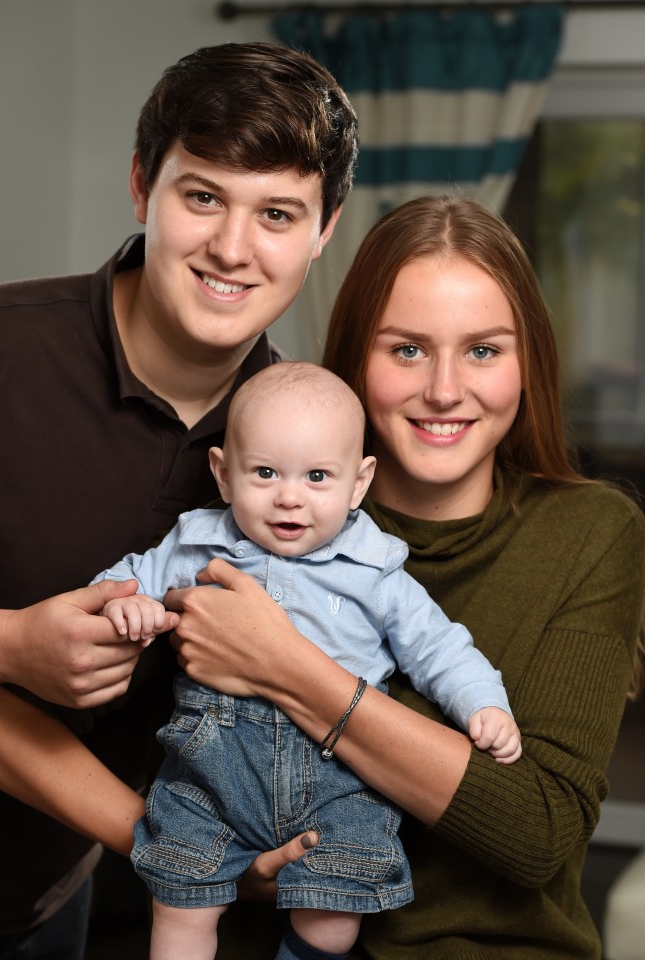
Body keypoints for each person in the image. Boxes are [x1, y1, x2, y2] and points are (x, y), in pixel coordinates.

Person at [155, 197, 645, 960]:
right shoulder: (257, 515)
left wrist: (286, 669)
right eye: (407, 350)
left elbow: (537, 830)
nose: (445, 390)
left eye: (483, 350)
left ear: (529, 362)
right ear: (354, 361)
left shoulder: (592, 534)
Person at [0, 42, 357, 959]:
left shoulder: (314, 449)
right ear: (143, 185)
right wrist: (7, 644)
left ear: (325, 230)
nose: (233, 248)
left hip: (40, 904)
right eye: (203, 197)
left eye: (276, 212)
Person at [93, 361, 521, 960]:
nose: (289, 497)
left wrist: (483, 703)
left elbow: (438, 645)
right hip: (211, 769)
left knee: (336, 911)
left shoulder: (375, 567)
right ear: (222, 473)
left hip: (339, 778)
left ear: (358, 483)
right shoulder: (197, 542)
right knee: (180, 896)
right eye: (264, 472)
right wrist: (128, 605)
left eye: (318, 476)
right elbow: (122, 579)